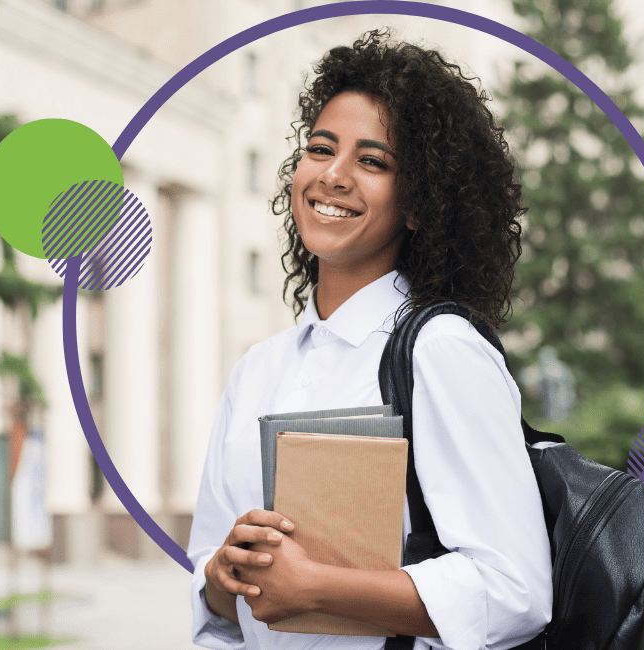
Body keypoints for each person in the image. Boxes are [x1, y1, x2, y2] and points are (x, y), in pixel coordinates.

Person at [188, 29, 552, 650]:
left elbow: (515, 589)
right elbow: (216, 605)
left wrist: (317, 589)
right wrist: (222, 579)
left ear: (418, 205)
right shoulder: (256, 371)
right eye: (320, 149)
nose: (333, 176)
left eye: (373, 161)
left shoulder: (440, 352)